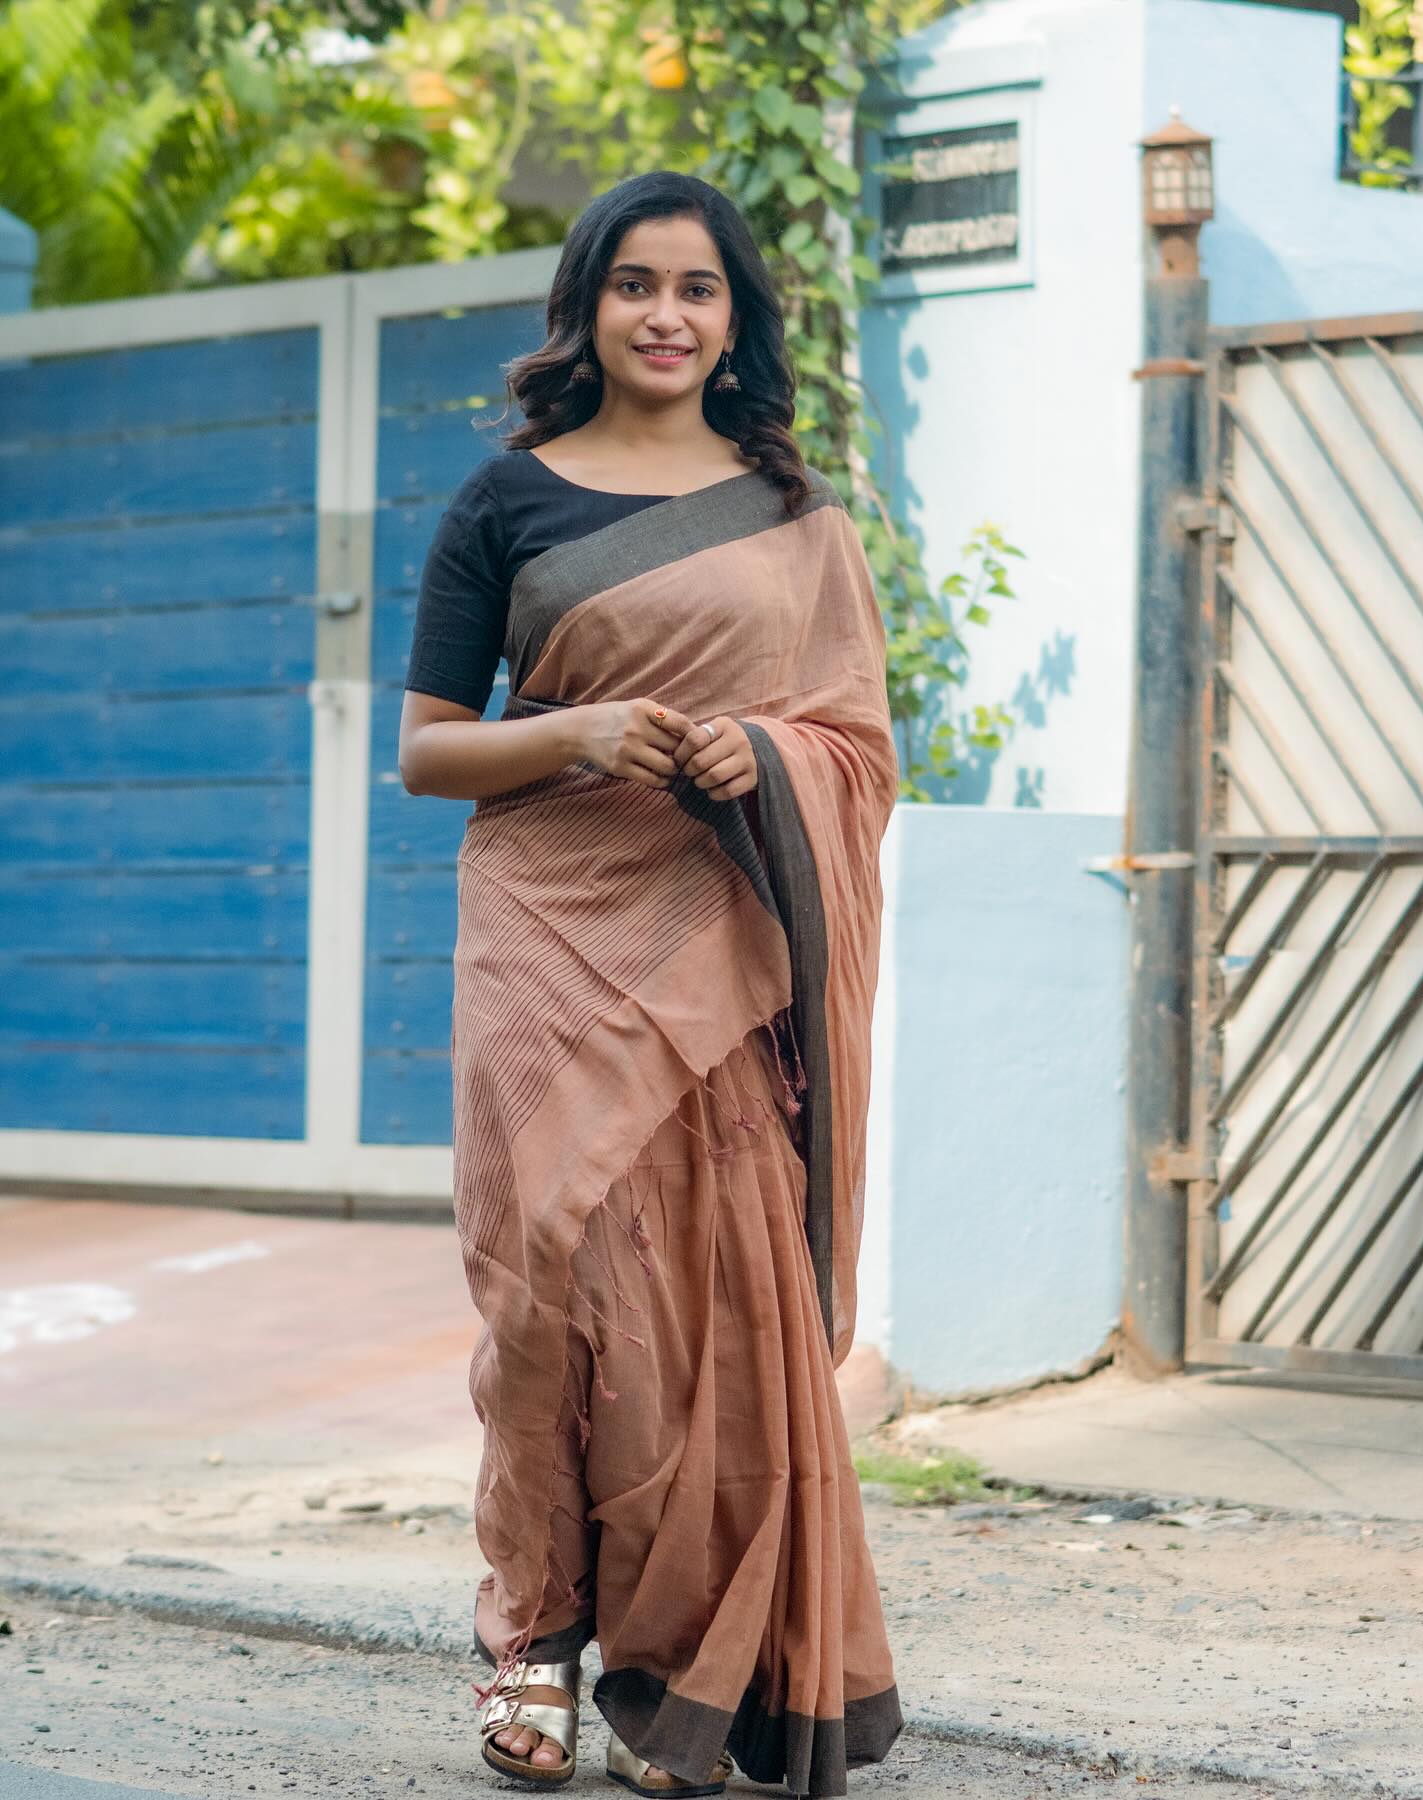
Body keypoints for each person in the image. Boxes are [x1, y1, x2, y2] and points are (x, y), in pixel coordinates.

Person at [398, 169, 901, 1800]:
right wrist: (580, 732)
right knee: (545, 1282)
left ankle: (685, 1676)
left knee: (703, 1304)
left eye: (697, 287)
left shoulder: (792, 515)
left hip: (717, 940)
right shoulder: (506, 502)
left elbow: (854, 745)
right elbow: (427, 752)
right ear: (588, 307)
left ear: (735, 317)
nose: (666, 314)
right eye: (635, 284)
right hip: (545, 924)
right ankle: (532, 1639)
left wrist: (756, 753)